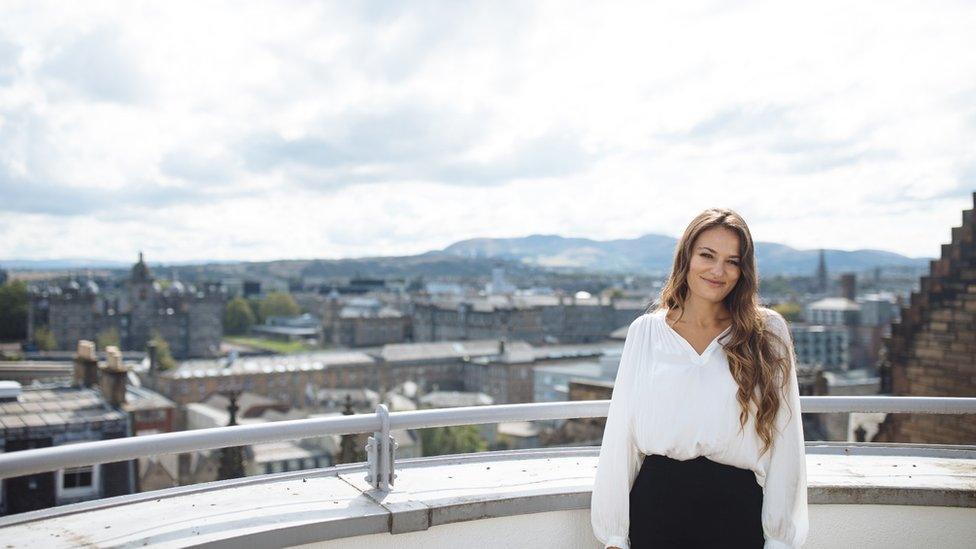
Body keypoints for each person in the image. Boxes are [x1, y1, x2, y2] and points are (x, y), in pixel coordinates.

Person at [590, 208, 808, 549]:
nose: (718, 270)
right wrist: (615, 535)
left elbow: (786, 441)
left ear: (744, 270)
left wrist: (779, 538)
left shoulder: (767, 332)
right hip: (656, 509)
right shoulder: (646, 332)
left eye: (732, 261)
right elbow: (621, 437)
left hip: (737, 512)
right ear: (686, 257)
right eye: (707, 255)